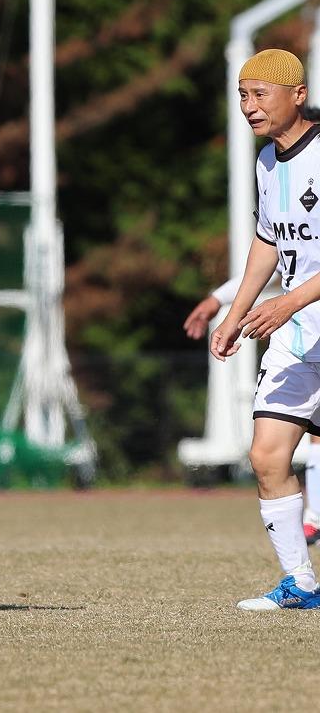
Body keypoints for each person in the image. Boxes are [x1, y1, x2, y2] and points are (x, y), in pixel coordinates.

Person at [210, 48, 320, 610]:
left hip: (295, 315)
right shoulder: (267, 162)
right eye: (242, 95)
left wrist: (287, 303)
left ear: (298, 94)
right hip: (299, 337)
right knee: (267, 456)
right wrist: (233, 315)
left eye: (260, 94)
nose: (249, 106)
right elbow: (268, 243)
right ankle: (301, 584)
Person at [186, 275, 320, 546]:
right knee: (272, 453)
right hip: (302, 347)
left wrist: (289, 302)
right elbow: (270, 263)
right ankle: (315, 520)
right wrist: (219, 299)